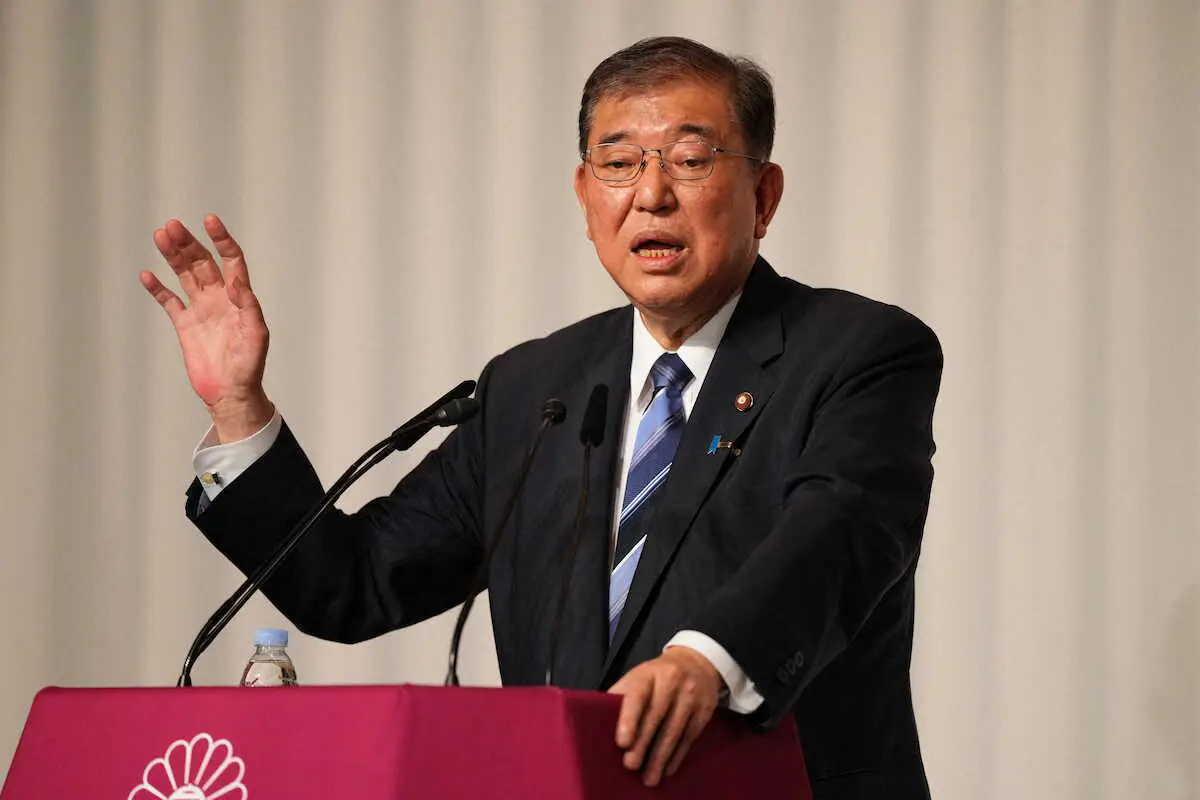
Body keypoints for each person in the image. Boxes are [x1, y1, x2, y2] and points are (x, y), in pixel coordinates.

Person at [141, 36, 942, 799]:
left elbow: (836, 536)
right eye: (619, 164)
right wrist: (237, 406)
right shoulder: (536, 388)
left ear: (763, 197)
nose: (651, 195)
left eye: (691, 160)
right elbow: (353, 584)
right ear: (586, 197)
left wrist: (705, 660)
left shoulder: (859, 351)